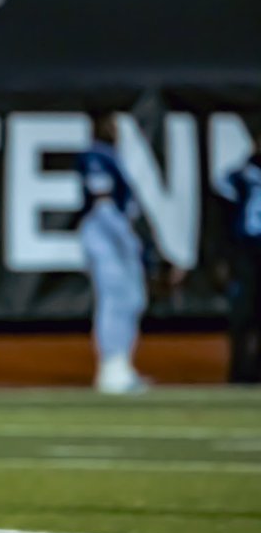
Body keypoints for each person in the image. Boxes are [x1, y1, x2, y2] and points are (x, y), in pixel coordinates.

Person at [76, 111, 179, 394]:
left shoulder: (115, 156)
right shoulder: (96, 155)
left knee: (132, 300)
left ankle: (122, 364)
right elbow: (102, 202)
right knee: (113, 301)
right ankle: (111, 366)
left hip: (116, 232)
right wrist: (126, 237)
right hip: (103, 232)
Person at [216, 129, 261, 383]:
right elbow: (221, 221)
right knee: (243, 315)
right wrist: (223, 258)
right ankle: (240, 372)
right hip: (246, 252)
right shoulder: (237, 177)